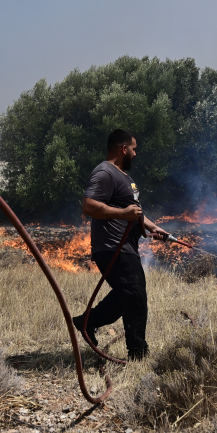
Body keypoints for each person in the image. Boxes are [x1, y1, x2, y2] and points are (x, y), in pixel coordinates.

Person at [74, 129, 169, 361]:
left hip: (125, 247)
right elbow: (88, 206)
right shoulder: (104, 172)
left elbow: (133, 212)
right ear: (123, 148)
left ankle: (87, 322)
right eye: (134, 149)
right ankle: (138, 353)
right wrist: (123, 213)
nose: (136, 154)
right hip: (112, 247)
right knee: (135, 296)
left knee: (125, 295)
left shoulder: (123, 176)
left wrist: (151, 226)